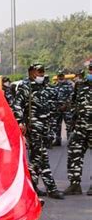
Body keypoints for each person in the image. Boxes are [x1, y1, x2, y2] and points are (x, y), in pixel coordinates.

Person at [13, 64, 63, 199]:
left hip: (45, 129)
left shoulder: (44, 87)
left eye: (43, 71)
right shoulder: (25, 87)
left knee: (36, 160)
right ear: (31, 73)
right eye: (39, 71)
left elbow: (50, 107)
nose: (42, 74)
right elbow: (17, 105)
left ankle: (32, 187)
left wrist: (52, 128)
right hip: (33, 129)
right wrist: (20, 122)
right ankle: (51, 188)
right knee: (42, 157)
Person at [64, 61, 92, 195]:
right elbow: (73, 103)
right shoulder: (80, 85)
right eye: (91, 69)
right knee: (74, 153)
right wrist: (72, 122)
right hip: (80, 127)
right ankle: (75, 184)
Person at [52, 71, 74, 145]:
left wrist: (65, 105)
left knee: (69, 125)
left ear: (64, 76)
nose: (60, 77)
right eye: (59, 76)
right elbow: (53, 97)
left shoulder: (69, 85)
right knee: (57, 125)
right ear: (57, 77)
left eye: (62, 76)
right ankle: (57, 140)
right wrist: (57, 106)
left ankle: (69, 141)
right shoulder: (55, 86)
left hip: (67, 108)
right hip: (58, 109)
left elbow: (72, 96)